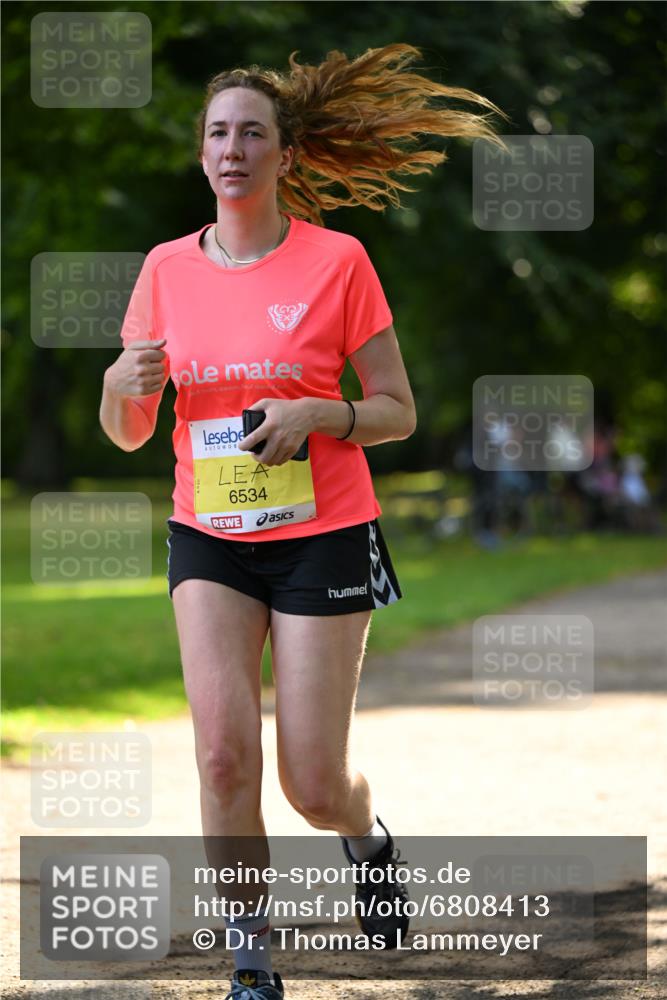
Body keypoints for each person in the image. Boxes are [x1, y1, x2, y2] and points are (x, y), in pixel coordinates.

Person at [100, 43, 505, 999]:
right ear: (201, 156)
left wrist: (324, 415)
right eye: (217, 133)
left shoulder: (338, 262)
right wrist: (118, 389)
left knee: (312, 782)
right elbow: (127, 433)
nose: (232, 148)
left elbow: (399, 410)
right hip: (210, 537)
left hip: (323, 533)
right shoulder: (163, 270)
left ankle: (366, 842)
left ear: (284, 156)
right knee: (219, 749)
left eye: (252, 133)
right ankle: (251, 955)